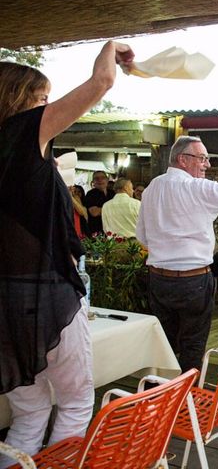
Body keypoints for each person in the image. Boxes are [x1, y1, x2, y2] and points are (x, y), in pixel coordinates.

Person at [0, 41, 134, 467]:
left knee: (30, 413)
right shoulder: (23, 131)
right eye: (41, 98)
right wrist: (113, 46)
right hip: (48, 294)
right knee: (76, 402)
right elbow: (102, 81)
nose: (47, 106)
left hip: (3, 304)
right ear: (18, 100)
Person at [136, 135, 218, 372]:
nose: (207, 164)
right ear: (183, 160)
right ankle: (186, 401)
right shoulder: (196, 188)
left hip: (158, 279)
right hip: (192, 282)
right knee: (192, 346)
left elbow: (142, 237)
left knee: (164, 344)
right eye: (202, 158)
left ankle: (161, 396)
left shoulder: (152, 188)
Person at [83, 170, 114, 235]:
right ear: (93, 182)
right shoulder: (91, 194)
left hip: (112, 230)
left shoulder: (113, 193)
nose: (100, 180)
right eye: (96, 178)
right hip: (96, 231)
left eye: (102, 178)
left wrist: (102, 210)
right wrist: (114, 210)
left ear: (107, 180)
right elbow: (94, 212)